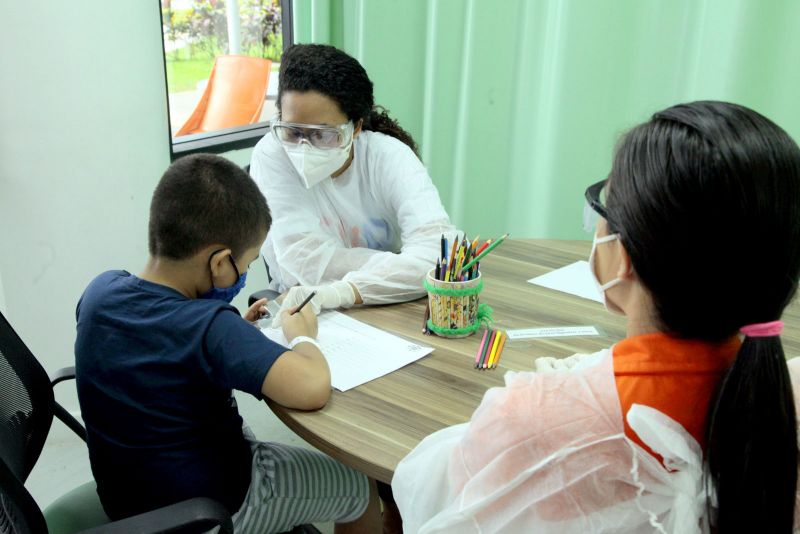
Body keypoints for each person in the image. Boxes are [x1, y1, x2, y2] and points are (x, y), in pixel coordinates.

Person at [392, 101, 800, 533]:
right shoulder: (778, 405)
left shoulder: (529, 418)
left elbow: (428, 491)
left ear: (622, 255)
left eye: (602, 209)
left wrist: (548, 399)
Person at [75, 154, 381, 533]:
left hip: (128, 499)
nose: (244, 274)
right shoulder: (210, 328)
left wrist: (236, 334)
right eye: (247, 263)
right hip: (210, 507)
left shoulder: (100, 292)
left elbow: (156, 344)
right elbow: (311, 388)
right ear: (219, 262)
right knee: (359, 486)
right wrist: (303, 334)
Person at [249, 43, 458, 320]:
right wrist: (404, 269)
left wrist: (341, 291)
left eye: (323, 135)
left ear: (356, 127)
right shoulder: (272, 153)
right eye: (292, 131)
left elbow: (438, 256)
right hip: (304, 309)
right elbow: (302, 265)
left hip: (395, 307)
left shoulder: (389, 157)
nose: (303, 147)